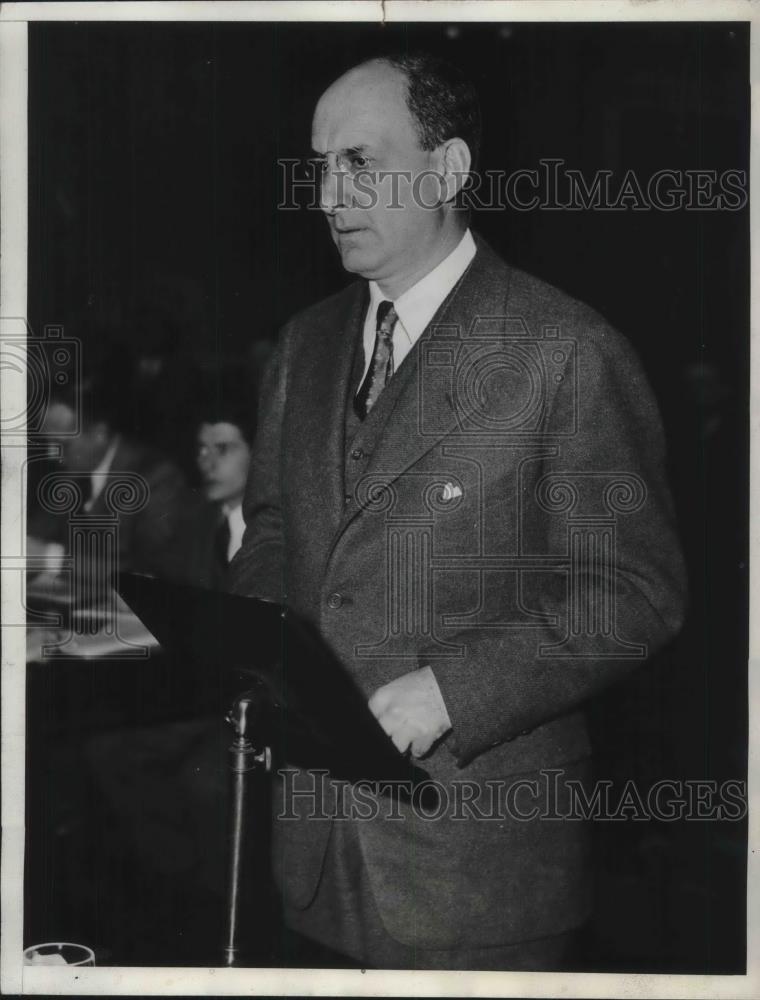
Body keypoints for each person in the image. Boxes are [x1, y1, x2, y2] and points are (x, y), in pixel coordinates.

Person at [229, 52, 687, 970]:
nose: (329, 193)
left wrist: (451, 689)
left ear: (449, 170)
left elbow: (635, 595)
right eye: (319, 166)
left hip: (480, 868)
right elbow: (275, 528)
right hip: (313, 846)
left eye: (360, 160)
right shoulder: (307, 344)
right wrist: (268, 649)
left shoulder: (565, 350)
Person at [28, 369, 188, 584]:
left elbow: (147, 574)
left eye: (62, 444)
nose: (52, 454)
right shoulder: (69, 473)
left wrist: (52, 559)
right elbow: (34, 537)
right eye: (47, 442)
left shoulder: (157, 478)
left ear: (99, 434)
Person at [173, 384, 256, 591]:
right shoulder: (195, 518)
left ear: (259, 453)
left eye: (222, 449)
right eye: (202, 449)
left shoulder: (282, 530)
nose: (207, 464)